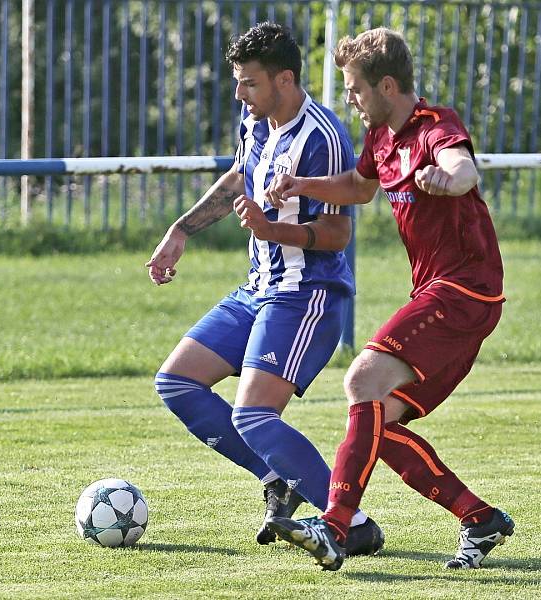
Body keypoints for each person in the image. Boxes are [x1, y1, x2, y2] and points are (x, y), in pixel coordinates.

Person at [266, 28, 514, 571]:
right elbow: (358, 188)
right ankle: (479, 518)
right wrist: (301, 184)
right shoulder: (380, 136)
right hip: (444, 293)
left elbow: (463, 168)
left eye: (354, 88)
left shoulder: (435, 127)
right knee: (377, 420)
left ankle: (334, 527)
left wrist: (447, 180)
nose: (349, 99)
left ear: (386, 84)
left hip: (464, 287)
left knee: (360, 381)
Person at [146, 22, 383, 556]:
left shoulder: (322, 137)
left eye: (249, 83)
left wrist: (271, 229)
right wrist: (181, 229)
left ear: (284, 79)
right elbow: (239, 176)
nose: (239, 94)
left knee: (251, 414)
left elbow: (339, 234)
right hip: (258, 288)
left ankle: (354, 523)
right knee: (176, 382)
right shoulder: (256, 123)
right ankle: (282, 476)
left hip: (308, 293)